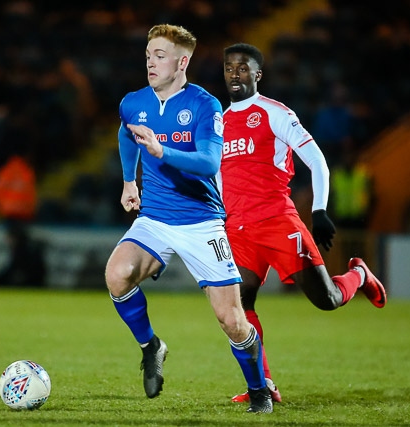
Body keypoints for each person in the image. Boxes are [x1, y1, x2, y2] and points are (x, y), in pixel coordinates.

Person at [104, 25, 272, 414]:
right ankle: (152, 347)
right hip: (156, 217)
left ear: (182, 62)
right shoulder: (134, 102)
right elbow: (127, 133)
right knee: (117, 274)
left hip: (201, 221)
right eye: (148, 54)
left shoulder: (204, 105)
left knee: (231, 319)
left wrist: (161, 151)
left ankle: (259, 390)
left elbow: (209, 162)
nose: (150, 61)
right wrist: (130, 180)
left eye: (160, 55)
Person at [220, 43, 387, 404]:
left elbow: (317, 160)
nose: (235, 73)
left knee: (326, 299)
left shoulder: (274, 113)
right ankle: (262, 384)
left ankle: (358, 274)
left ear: (257, 74)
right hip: (238, 228)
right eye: (230, 68)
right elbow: (221, 176)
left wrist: (319, 211)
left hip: (278, 221)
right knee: (240, 303)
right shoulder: (218, 123)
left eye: (243, 68)